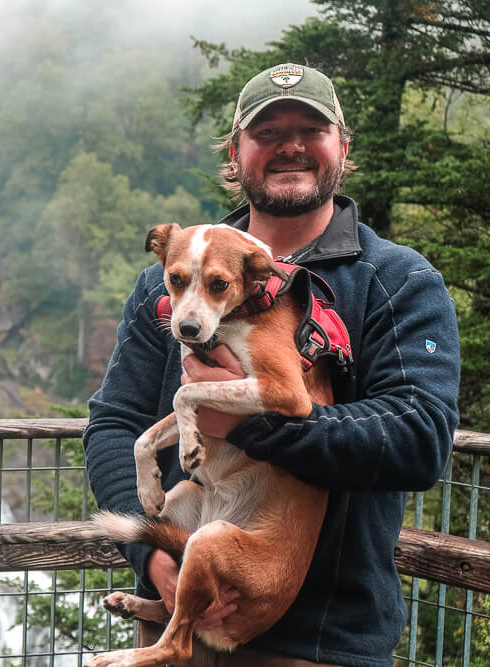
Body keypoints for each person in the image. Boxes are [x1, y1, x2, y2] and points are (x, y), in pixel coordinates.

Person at [84, 63, 460, 666]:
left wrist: (247, 424)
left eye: (311, 129)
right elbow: (114, 424)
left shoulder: (397, 282)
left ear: (342, 145)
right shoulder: (175, 279)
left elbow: (417, 441)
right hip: (174, 621)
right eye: (268, 131)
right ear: (236, 153)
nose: (290, 145)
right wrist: (153, 557)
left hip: (320, 645)